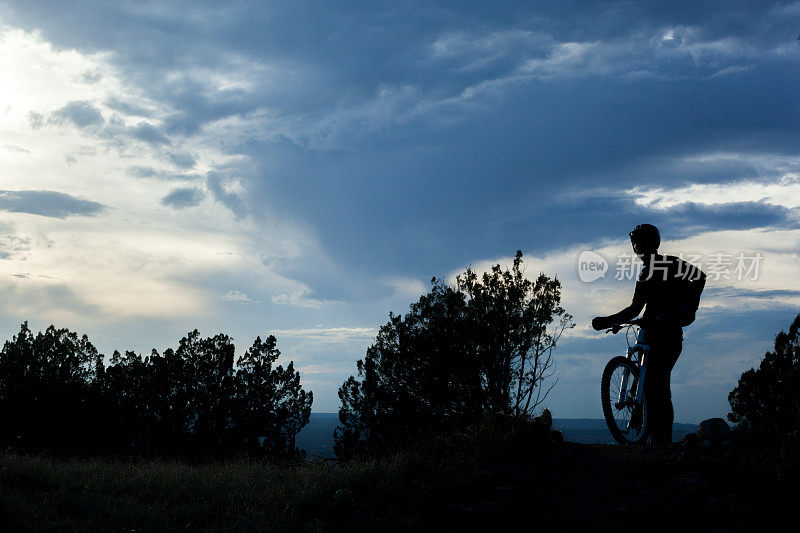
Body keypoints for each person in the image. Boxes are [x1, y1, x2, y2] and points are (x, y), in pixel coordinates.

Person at [591, 224, 706, 444]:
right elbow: (635, 308)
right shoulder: (644, 274)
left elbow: (700, 277)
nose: (639, 246)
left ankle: (662, 440)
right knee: (642, 384)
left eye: (643, 241)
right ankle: (645, 434)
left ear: (654, 243)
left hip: (669, 334)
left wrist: (688, 307)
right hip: (649, 329)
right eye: (636, 243)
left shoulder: (671, 263)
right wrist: (609, 321)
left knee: (658, 385)